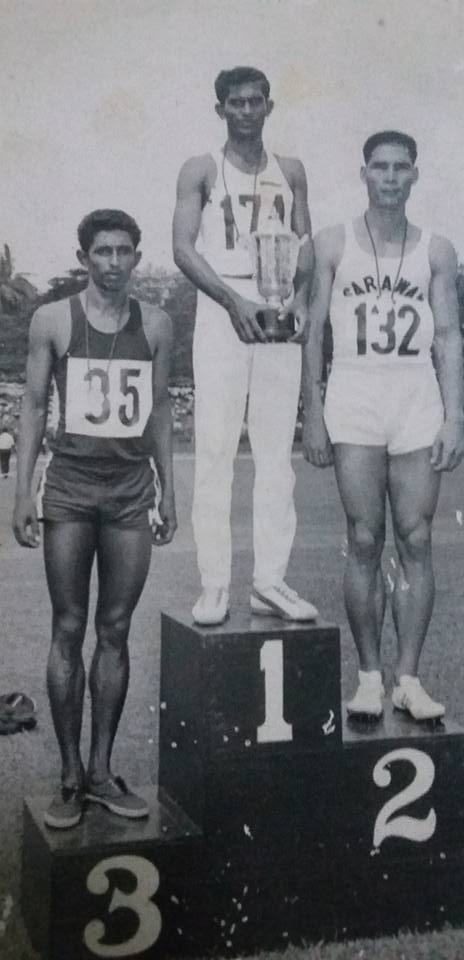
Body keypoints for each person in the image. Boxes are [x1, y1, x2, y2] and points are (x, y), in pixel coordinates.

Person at [13, 209, 177, 828]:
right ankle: (69, 775)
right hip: (72, 489)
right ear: (84, 258)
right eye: (102, 251)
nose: (113, 262)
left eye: (124, 251)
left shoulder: (156, 324)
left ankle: (102, 771)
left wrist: (169, 489)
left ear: (137, 257)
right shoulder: (54, 320)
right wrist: (22, 493)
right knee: (68, 626)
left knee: (115, 628)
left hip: (131, 491)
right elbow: (33, 406)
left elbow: (158, 409)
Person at [303, 131, 464, 721]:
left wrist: (456, 415)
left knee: (416, 538)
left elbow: (447, 335)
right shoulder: (331, 243)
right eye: (380, 167)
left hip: (415, 395)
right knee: (365, 537)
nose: (390, 177)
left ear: (414, 175)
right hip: (354, 391)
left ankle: (409, 678)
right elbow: (312, 332)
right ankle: (370, 676)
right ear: (363, 173)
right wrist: (312, 410)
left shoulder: (436, 249)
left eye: (400, 168)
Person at [173, 66, 318, 626]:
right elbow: (183, 248)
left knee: (277, 454)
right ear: (221, 110)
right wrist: (233, 301)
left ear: (269, 106)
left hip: (277, 313)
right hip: (223, 312)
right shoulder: (202, 169)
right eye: (236, 103)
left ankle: (269, 581)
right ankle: (214, 584)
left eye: (256, 101)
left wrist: (299, 299)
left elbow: (305, 248)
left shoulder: (291, 170)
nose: (247, 111)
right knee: (215, 452)